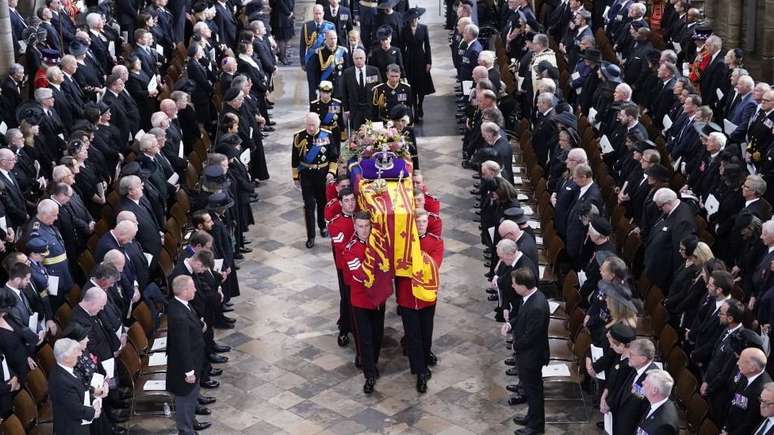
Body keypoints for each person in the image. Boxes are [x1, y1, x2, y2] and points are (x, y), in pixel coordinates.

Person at [397, 209, 443, 393]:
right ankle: (420, 371)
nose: (421, 225)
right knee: (413, 335)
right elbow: (398, 267)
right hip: (407, 297)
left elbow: (433, 265)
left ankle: (423, 360)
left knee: (426, 333)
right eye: (418, 222)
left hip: (426, 297)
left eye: (424, 222)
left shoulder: (435, 242)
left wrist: (413, 263)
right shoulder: (403, 243)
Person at [501, 267, 549, 435]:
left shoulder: (537, 306)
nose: (512, 287)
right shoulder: (529, 297)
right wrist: (511, 324)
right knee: (530, 390)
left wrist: (515, 346)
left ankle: (536, 426)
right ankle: (531, 416)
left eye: (514, 284)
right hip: (527, 354)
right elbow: (521, 317)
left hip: (532, 356)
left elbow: (531, 336)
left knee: (534, 392)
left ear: (523, 286)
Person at [342, 211, 385, 394]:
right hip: (361, 300)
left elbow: (385, 267)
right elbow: (358, 274)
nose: (364, 230)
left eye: (367, 226)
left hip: (378, 300)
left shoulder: (380, 246)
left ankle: (372, 363)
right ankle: (369, 374)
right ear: (355, 226)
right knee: (365, 338)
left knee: (377, 335)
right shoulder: (351, 249)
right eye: (360, 226)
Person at [167, 275, 210, 434]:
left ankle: (191, 423)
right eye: (192, 287)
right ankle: (186, 430)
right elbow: (182, 346)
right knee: (185, 400)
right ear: (184, 291)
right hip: (186, 368)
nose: (195, 290)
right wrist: (189, 372)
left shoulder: (182, 305)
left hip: (194, 360)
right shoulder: (178, 315)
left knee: (192, 398)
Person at [292, 113, 338, 248]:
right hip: (306, 175)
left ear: (318, 124)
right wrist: (295, 177)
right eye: (308, 125)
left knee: (322, 202)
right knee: (309, 205)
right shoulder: (299, 137)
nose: (310, 128)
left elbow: (334, 157)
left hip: (322, 174)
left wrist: (331, 172)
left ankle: (322, 226)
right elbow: (295, 158)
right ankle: (310, 236)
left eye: (313, 125)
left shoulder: (327, 135)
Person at [49, 338, 102, 435]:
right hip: (72, 429)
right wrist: (94, 412)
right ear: (66, 358)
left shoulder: (67, 368)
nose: (80, 354)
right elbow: (75, 410)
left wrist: (93, 400)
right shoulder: (60, 381)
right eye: (75, 352)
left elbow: (82, 387)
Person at [327, 188, 356, 346]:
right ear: (340, 203)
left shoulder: (361, 217)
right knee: (346, 298)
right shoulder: (335, 223)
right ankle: (344, 329)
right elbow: (343, 247)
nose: (350, 204)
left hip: (360, 266)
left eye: (352, 200)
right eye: (346, 200)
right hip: (343, 266)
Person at [722, 348, 772, 435]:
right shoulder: (747, 373)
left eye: (741, 361)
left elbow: (749, 423)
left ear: (752, 368)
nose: (737, 363)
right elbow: (735, 399)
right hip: (728, 423)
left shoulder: (762, 391)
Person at [400, 7, 434, 120]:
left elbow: (427, 46)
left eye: (415, 18)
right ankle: (414, 108)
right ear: (409, 19)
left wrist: (429, 62)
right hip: (409, 58)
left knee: (422, 85)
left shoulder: (424, 28)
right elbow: (401, 46)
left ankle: (420, 105)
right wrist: (402, 63)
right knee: (412, 86)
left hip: (421, 58)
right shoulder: (404, 29)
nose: (414, 20)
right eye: (412, 19)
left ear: (418, 18)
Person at [338, 48, 380, 130]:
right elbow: (344, 92)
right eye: (356, 58)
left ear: (365, 58)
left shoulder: (374, 71)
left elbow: (380, 89)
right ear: (353, 59)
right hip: (355, 110)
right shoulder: (347, 73)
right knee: (357, 133)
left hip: (371, 108)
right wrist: (346, 109)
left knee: (372, 133)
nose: (359, 60)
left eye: (361, 58)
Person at [300, 5, 335, 100]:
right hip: (312, 58)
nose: (318, 16)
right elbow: (303, 45)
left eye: (320, 13)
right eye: (316, 13)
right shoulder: (307, 26)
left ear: (323, 13)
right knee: (312, 86)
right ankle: (313, 106)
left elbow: (333, 43)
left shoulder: (330, 25)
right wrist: (303, 62)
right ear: (313, 14)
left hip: (325, 59)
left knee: (324, 84)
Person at [637, 369, 680, 435]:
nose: (642, 382)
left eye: (646, 382)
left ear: (654, 390)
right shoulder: (656, 401)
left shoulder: (665, 427)